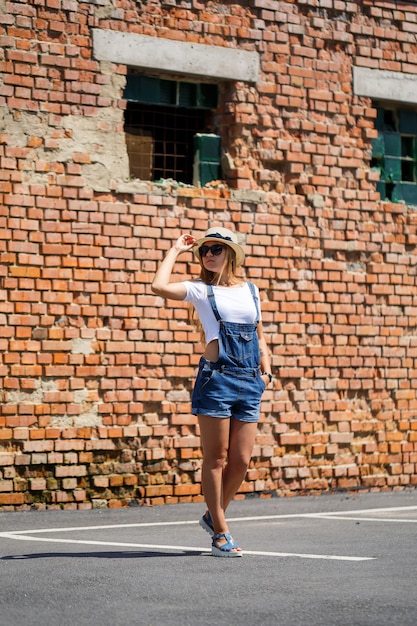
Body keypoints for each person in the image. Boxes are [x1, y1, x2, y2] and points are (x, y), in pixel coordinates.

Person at [151, 227, 272, 557]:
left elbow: (259, 334)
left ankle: (212, 514)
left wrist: (266, 366)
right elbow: (158, 286)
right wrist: (176, 250)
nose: (209, 255)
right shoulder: (200, 290)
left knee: (242, 460)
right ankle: (220, 532)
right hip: (216, 380)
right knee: (216, 458)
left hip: (249, 380)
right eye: (205, 250)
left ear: (231, 253)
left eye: (216, 249)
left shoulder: (251, 289)